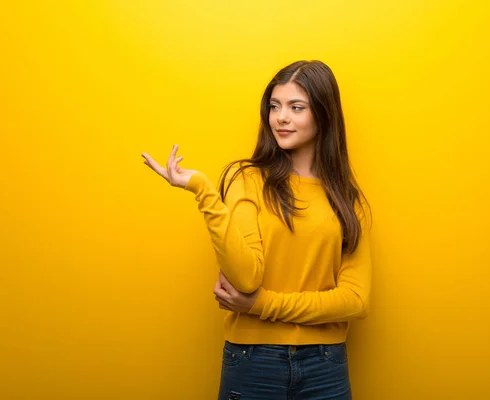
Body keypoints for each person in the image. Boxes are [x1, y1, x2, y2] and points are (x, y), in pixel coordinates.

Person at [142, 60, 372, 400]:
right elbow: (246, 278)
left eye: (297, 107)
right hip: (253, 361)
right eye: (275, 106)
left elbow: (355, 301)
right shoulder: (246, 179)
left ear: (323, 115)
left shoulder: (345, 199)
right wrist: (203, 189)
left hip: (326, 364)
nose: (281, 117)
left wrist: (261, 304)